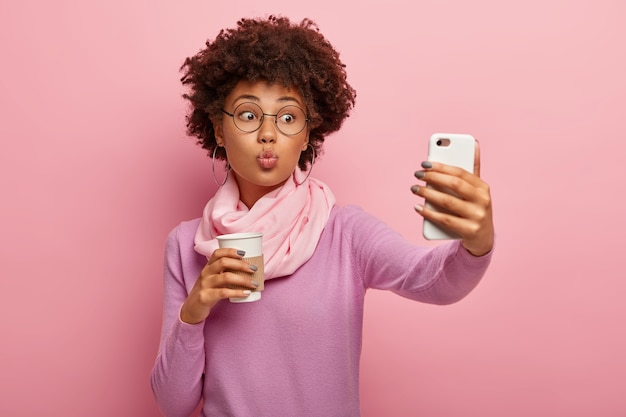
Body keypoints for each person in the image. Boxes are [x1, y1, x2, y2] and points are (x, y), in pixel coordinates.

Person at [150, 15, 494, 417]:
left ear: (308, 134)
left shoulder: (345, 233)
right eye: (247, 115)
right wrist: (194, 311)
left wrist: (477, 241)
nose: (268, 134)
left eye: (288, 117)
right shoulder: (186, 246)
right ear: (219, 129)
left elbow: (434, 282)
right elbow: (173, 404)